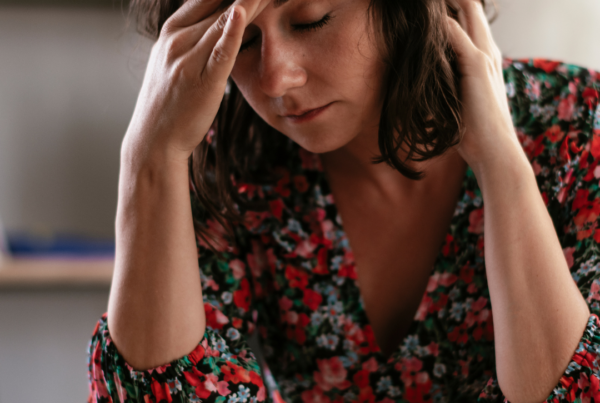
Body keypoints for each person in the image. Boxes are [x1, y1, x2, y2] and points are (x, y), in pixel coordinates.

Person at [87, 0, 600, 401]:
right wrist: (147, 160)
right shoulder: (228, 163)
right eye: (241, 40)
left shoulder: (580, 126)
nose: (275, 78)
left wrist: (502, 167)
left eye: (311, 20)